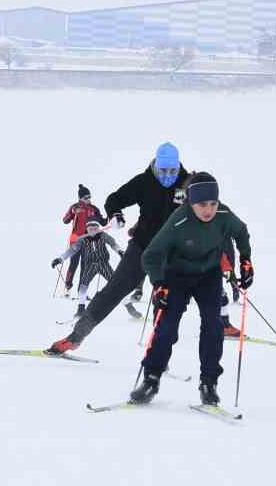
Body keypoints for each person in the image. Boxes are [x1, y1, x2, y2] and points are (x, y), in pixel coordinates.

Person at [46, 142, 191, 353]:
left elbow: (205, 210)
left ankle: (158, 352)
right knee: (114, 290)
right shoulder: (144, 181)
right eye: (163, 170)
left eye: (172, 171)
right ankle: (76, 336)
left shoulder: (187, 184)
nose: (167, 176)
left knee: (167, 300)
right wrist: (116, 214)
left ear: (178, 167)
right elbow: (113, 200)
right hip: (142, 246)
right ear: (155, 166)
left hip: (172, 252)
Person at [128, 173, 252, 407]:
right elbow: (150, 255)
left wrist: (246, 260)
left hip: (209, 275)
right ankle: (151, 378)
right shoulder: (178, 220)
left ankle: (209, 383)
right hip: (176, 275)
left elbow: (241, 232)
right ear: (191, 202)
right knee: (166, 326)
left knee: (214, 325)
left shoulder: (224, 215)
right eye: (202, 204)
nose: (208, 210)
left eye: (213, 203)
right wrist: (159, 284)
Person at [50, 218, 122, 313]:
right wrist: (60, 259)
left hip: (103, 264)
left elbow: (113, 244)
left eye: (95, 228)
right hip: (90, 265)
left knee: (116, 283)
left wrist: (120, 251)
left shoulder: (103, 235)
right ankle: (81, 309)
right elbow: (72, 250)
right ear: (87, 229)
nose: (92, 230)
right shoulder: (82, 239)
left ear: (98, 228)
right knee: (83, 286)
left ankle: (129, 307)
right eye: (90, 228)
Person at [59, 185, 104, 295]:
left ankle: (81, 291)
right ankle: (68, 286)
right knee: (74, 263)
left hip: (88, 241)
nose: (89, 199)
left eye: (89, 197)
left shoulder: (94, 209)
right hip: (75, 239)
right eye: (86, 197)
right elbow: (65, 220)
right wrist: (73, 212)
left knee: (85, 265)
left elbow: (103, 222)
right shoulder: (75, 206)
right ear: (80, 198)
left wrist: (111, 218)